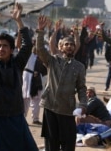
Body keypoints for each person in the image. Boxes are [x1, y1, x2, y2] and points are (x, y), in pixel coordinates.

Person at [0, 1, 38, 151]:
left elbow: (27, 46)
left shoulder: (18, 64)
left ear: (11, 49)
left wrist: (19, 21)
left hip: (16, 114)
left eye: (5, 46)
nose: (1, 49)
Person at [36, 15, 88, 151]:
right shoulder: (52, 61)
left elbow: (82, 88)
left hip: (67, 111)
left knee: (68, 146)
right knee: (51, 146)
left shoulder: (79, 67)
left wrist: (83, 105)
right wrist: (40, 32)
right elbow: (40, 50)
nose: (69, 46)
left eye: (72, 45)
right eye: (66, 44)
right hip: (50, 109)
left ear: (74, 47)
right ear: (61, 47)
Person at [22, 46, 47, 125]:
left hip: (38, 79)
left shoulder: (42, 58)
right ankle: (23, 118)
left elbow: (45, 70)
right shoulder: (29, 55)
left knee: (37, 99)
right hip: (28, 78)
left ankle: (35, 118)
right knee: (26, 98)